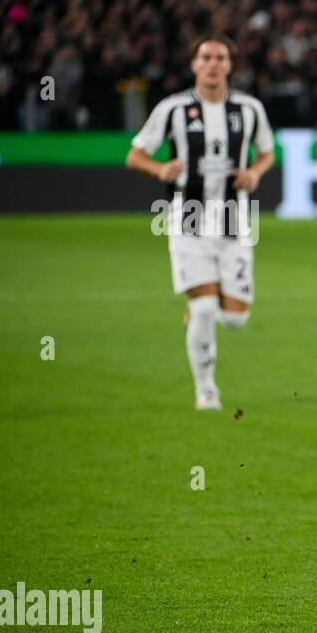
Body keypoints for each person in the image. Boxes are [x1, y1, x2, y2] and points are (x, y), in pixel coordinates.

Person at [126, 37, 275, 410]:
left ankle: (197, 309)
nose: (212, 64)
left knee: (235, 319)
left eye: (220, 58)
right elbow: (135, 155)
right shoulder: (173, 109)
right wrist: (159, 167)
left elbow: (267, 152)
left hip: (234, 218)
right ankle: (206, 389)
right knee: (207, 309)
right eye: (205, 57)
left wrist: (255, 172)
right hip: (187, 216)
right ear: (194, 64)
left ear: (229, 65)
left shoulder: (250, 108)